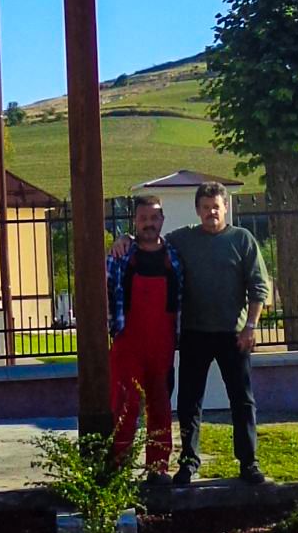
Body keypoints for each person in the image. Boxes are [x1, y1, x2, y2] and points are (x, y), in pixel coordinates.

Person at [114, 180, 271, 485]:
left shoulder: (242, 240)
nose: (211, 212)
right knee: (189, 402)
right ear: (197, 210)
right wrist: (125, 237)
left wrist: (250, 327)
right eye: (205, 207)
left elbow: (259, 287)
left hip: (233, 334)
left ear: (226, 207)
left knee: (242, 400)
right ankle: (188, 463)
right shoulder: (182, 240)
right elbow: (151, 239)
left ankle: (248, 462)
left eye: (216, 207)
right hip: (194, 333)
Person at [106, 194, 184, 483]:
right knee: (125, 407)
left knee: (161, 407)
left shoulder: (175, 257)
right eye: (143, 218)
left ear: (162, 220)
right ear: (134, 221)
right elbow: (103, 294)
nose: (148, 224)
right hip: (128, 344)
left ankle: (157, 469)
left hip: (162, 345)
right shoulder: (120, 256)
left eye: (153, 218)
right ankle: (118, 469)